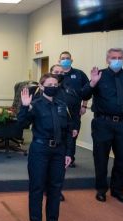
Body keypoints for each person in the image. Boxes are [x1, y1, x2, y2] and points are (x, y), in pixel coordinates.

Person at [16, 73, 74, 221]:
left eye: (55, 85)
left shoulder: (62, 105)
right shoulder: (35, 104)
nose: (53, 87)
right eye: (49, 84)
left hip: (59, 151)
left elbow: (69, 131)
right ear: (41, 87)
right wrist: (25, 107)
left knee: (55, 187)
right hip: (40, 150)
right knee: (37, 187)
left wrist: (69, 152)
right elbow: (22, 124)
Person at [82, 48, 123, 204]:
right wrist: (92, 82)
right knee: (101, 158)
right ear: (107, 59)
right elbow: (84, 95)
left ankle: (118, 190)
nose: (117, 60)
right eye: (113, 57)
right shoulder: (99, 75)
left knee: (122, 158)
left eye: (120, 57)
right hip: (102, 123)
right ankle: (101, 190)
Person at [50, 64, 81, 202]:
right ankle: (47, 188)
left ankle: (57, 190)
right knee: (45, 165)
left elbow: (73, 112)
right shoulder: (41, 90)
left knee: (60, 166)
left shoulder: (69, 91)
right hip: (45, 134)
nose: (59, 74)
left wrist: (74, 127)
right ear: (50, 73)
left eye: (61, 72)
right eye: (56, 72)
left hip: (63, 134)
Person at [57, 51, 90, 168]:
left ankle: (70, 158)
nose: (65, 60)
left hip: (74, 112)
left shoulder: (79, 74)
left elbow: (87, 90)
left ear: (71, 60)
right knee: (59, 134)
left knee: (72, 134)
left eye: (67, 58)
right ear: (59, 61)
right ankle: (58, 158)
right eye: (63, 58)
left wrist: (84, 106)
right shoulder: (56, 75)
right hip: (58, 112)